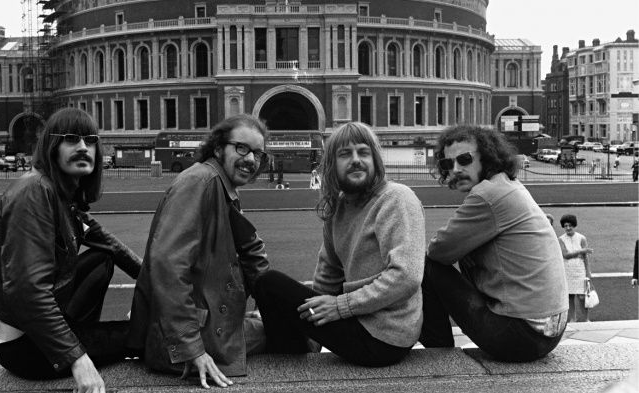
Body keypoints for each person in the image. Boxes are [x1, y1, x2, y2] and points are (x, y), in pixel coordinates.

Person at [0, 108, 142, 393]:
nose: (83, 148)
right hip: (21, 346)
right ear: (52, 146)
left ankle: (79, 332)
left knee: (102, 256)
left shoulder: (62, 193)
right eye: (71, 139)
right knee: (139, 336)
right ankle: (77, 338)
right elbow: (26, 291)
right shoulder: (34, 193)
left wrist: (159, 283)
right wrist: (77, 358)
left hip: (26, 326)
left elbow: (111, 245)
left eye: (90, 141)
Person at [253, 122, 426, 367]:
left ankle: (283, 356)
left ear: (376, 159)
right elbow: (328, 274)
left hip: (384, 337)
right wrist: (312, 327)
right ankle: (294, 352)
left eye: (363, 152)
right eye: (345, 154)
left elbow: (406, 276)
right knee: (273, 290)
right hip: (359, 322)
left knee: (269, 284)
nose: (356, 160)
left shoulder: (396, 198)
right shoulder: (338, 208)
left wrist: (340, 306)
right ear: (332, 165)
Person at [128, 114, 270, 389]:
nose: (251, 160)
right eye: (242, 148)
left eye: (258, 153)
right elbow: (168, 265)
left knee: (288, 323)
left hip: (203, 325)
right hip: (187, 342)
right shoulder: (200, 183)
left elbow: (251, 251)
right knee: (300, 334)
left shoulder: (218, 183)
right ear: (218, 148)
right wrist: (192, 349)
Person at [419, 125, 568, 362]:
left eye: (464, 159)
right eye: (448, 164)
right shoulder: (508, 184)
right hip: (549, 331)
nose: (456, 169)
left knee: (427, 266)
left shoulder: (487, 195)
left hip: (521, 335)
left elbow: (439, 250)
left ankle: (439, 355)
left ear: (487, 158)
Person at [557, 214, 593, 322]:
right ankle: (573, 319)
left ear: (574, 225)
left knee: (582, 296)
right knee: (570, 296)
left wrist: (588, 272)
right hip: (567, 269)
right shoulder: (560, 239)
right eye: (565, 226)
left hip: (580, 269)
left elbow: (586, 257)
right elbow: (565, 255)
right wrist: (581, 251)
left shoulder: (582, 238)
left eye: (570, 225)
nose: (568, 228)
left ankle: (586, 319)